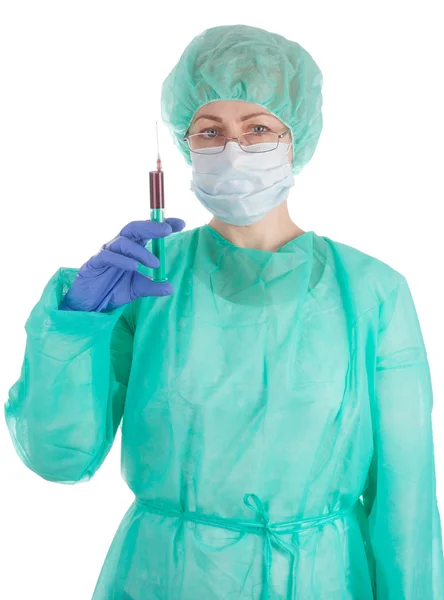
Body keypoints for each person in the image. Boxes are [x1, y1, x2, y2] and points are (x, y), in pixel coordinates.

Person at [4, 23, 444, 600]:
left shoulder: (371, 292)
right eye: (209, 131)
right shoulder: (147, 283)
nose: (233, 150)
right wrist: (77, 326)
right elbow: (57, 457)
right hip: (163, 578)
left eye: (258, 128)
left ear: (297, 138)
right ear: (184, 145)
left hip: (320, 581)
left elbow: (405, 500)